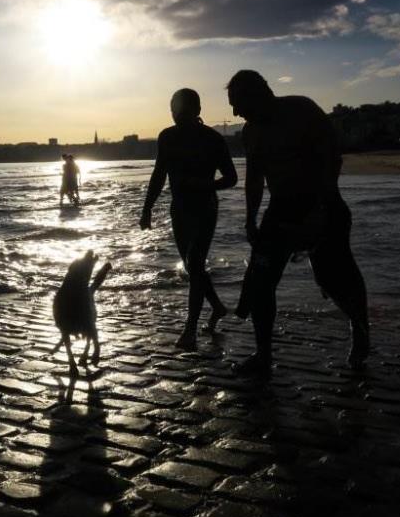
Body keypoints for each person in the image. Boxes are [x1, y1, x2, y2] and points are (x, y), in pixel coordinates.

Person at [227, 70, 370, 375]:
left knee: (334, 278)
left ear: (259, 93)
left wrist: (319, 212)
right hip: (280, 210)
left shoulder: (301, 110)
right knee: (262, 282)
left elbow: (332, 160)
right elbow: (254, 180)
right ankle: (263, 354)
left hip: (323, 202)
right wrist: (250, 220)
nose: (235, 112)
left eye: (237, 103)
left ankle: (360, 331)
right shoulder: (250, 132)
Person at [139, 88, 238, 347]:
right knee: (192, 267)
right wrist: (147, 208)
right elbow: (159, 174)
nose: (175, 115)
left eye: (180, 110)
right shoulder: (167, 137)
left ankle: (190, 329)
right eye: (173, 110)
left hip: (205, 207)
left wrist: (206, 185)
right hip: (179, 209)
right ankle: (217, 307)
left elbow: (231, 177)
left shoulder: (213, 139)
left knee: (195, 262)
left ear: (196, 111)